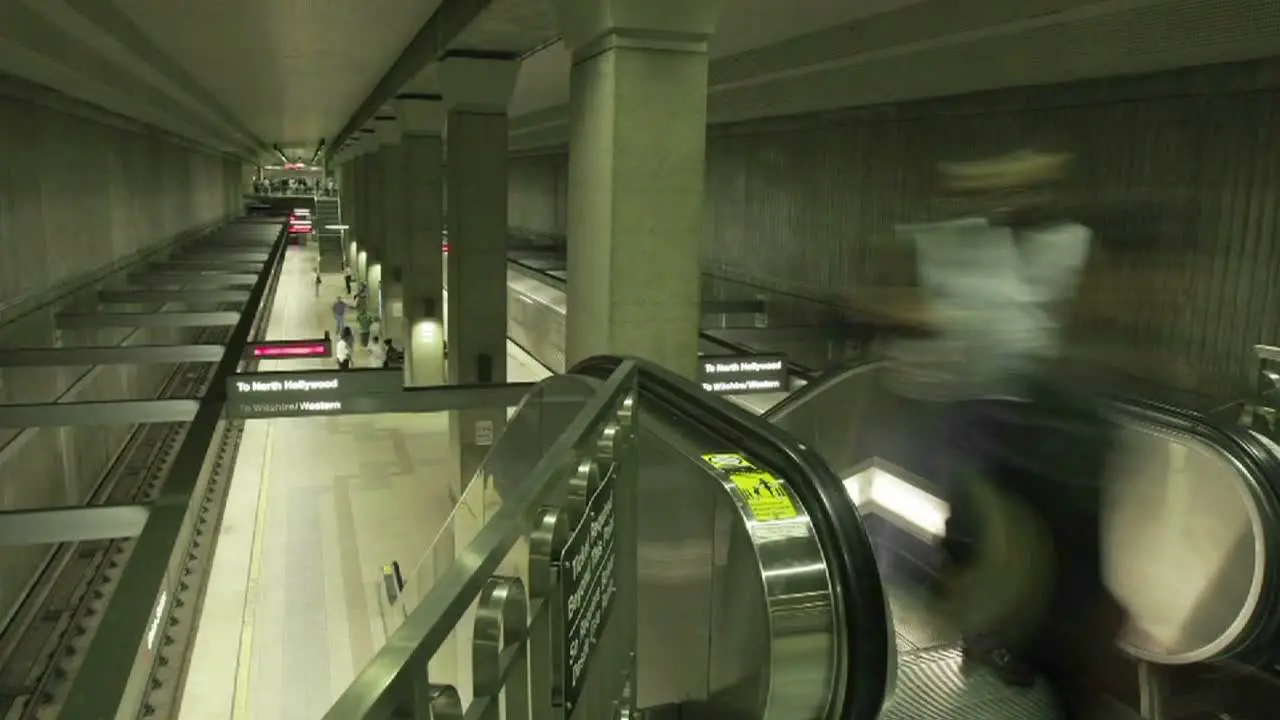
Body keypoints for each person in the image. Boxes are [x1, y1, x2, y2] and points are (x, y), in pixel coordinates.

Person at [893, 149, 1124, 719]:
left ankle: (1015, 645)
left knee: (1032, 538)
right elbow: (920, 306)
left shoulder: (1069, 243)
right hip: (986, 412)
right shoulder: (963, 242)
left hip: (1036, 418)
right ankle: (990, 639)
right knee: (978, 527)